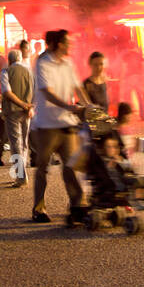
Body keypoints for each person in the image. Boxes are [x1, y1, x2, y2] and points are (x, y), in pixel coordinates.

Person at [30, 29, 90, 224]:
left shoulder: (68, 63)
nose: (70, 45)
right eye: (67, 42)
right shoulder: (42, 62)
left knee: (72, 166)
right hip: (47, 124)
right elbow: (47, 92)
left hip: (67, 123)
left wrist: (89, 107)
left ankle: (77, 205)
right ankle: (39, 208)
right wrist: (70, 107)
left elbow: (77, 87)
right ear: (58, 44)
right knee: (42, 168)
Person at [0, 46, 34, 187]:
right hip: (27, 112)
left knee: (15, 144)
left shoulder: (6, 71)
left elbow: (6, 92)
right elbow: (36, 90)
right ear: (19, 59)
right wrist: (29, 106)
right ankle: (22, 172)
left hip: (12, 111)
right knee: (24, 143)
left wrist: (21, 104)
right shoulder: (29, 71)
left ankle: (20, 176)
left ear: (9, 60)